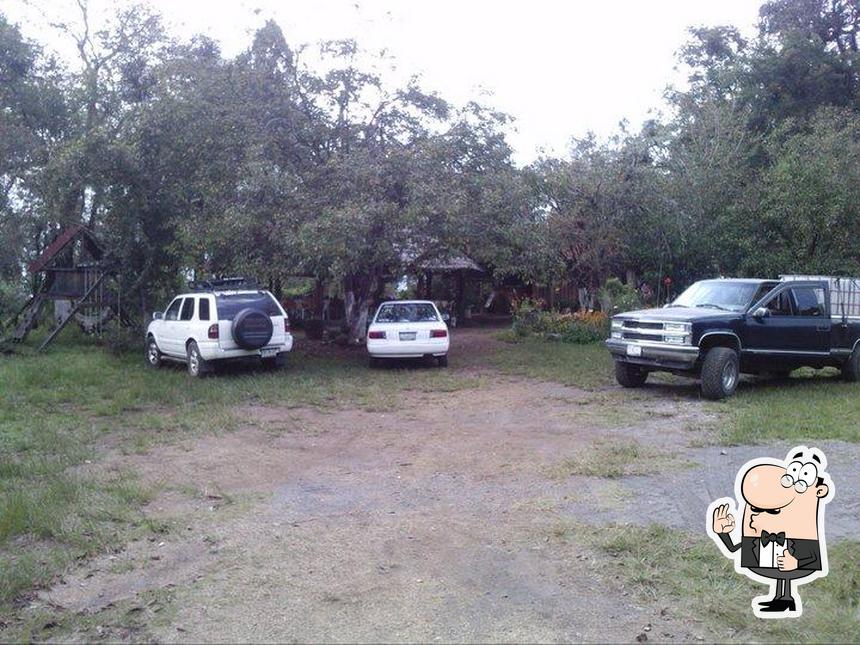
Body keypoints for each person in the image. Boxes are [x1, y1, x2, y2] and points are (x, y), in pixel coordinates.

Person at [708, 446, 833, 617]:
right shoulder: (756, 537)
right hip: (768, 563)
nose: (754, 517)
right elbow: (733, 550)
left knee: (785, 573)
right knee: (781, 574)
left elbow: (812, 559)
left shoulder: (802, 537)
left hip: (794, 562)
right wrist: (723, 533)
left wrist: (796, 564)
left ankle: (786, 599)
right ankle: (781, 599)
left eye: (773, 511)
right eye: (755, 510)